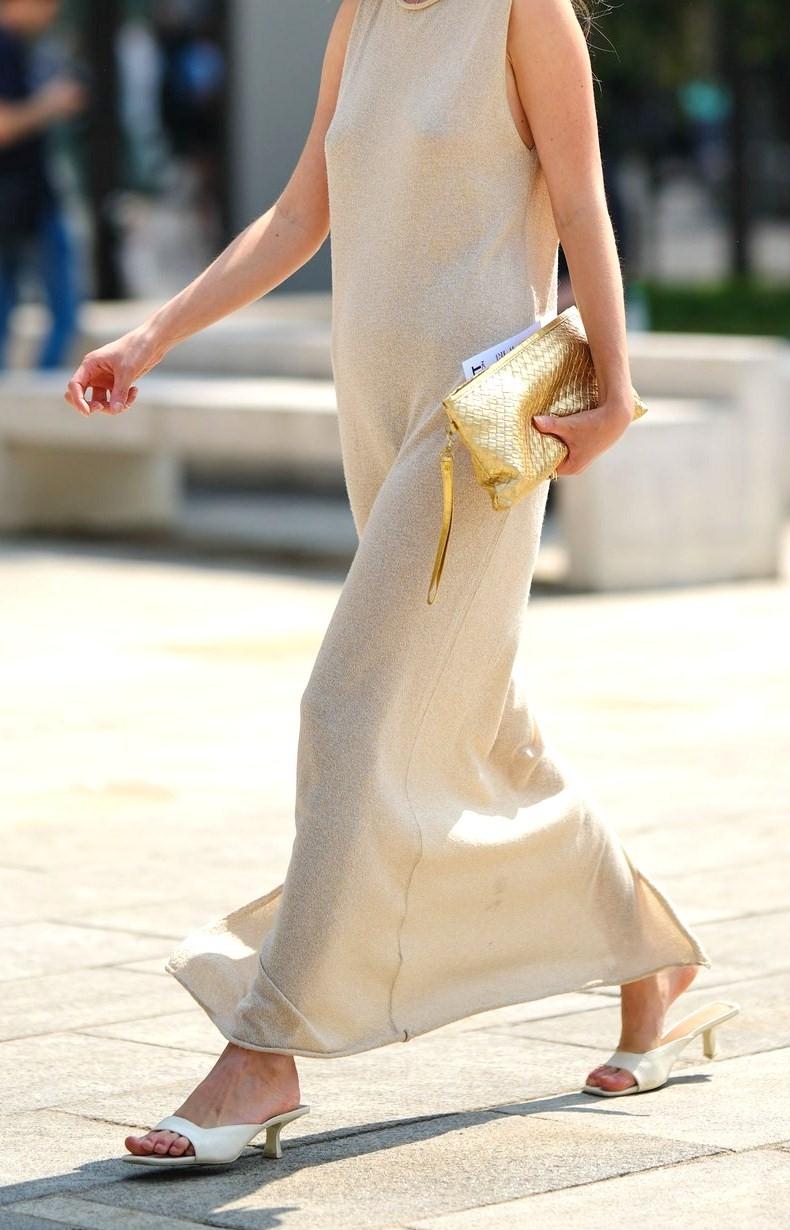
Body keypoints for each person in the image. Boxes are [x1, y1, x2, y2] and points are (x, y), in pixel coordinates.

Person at [67, 0, 734, 1167]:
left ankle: (263, 1051)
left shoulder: (523, 13)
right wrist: (154, 336)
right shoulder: (363, 17)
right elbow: (298, 214)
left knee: (347, 704)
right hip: (375, 411)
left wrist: (615, 389)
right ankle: (653, 966)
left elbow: (584, 204)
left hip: (480, 418)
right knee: (484, 719)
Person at [0, 0, 84, 370]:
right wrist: (51, 103)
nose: (52, 11)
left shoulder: (25, 46)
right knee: (64, 308)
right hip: (20, 200)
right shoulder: (5, 46)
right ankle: (49, 389)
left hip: (26, 198)